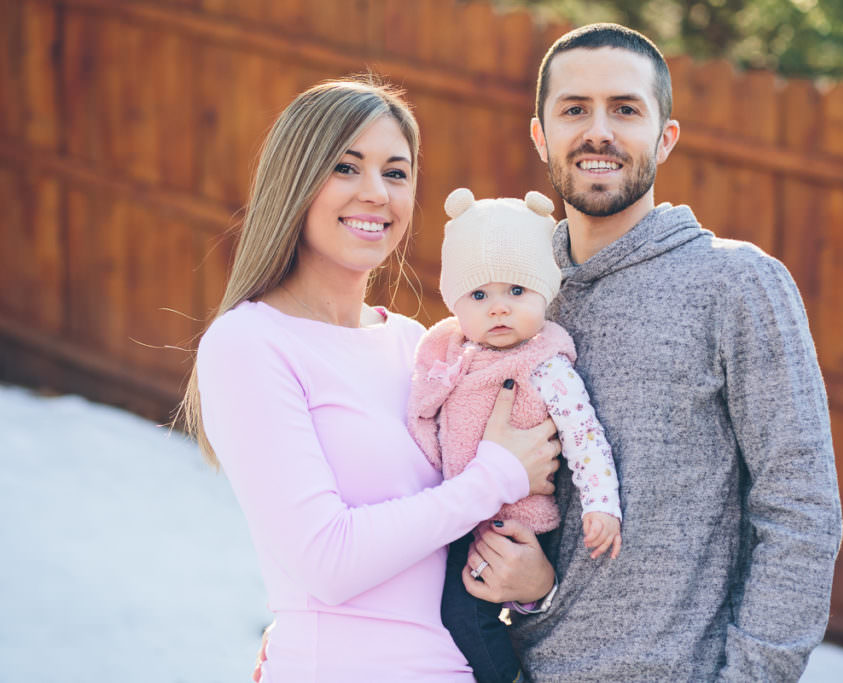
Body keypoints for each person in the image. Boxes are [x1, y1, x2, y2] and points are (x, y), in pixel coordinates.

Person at [461, 23, 843, 681]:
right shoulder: (513, 297)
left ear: (665, 136)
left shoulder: (737, 284)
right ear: (540, 134)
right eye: (575, 108)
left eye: (626, 109)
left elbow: (801, 511)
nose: (599, 130)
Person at [176, 78, 563, 682]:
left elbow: (461, 538)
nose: (375, 194)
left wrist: (533, 586)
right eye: (346, 167)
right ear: (296, 181)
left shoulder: (422, 345)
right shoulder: (250, 344)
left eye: (396, 173)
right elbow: (327, 561)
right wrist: (497, 475)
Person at [406, 187, 622, 683]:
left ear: (545, 293)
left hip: (511, 523)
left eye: (516, 292)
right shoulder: (449, 352)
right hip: (459, 510)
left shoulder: (545, 367)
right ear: (455, 301)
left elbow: (585, 437)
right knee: (439, 615)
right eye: (480, 295)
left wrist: (601, 505)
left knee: (467, 618)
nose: (498, 309)